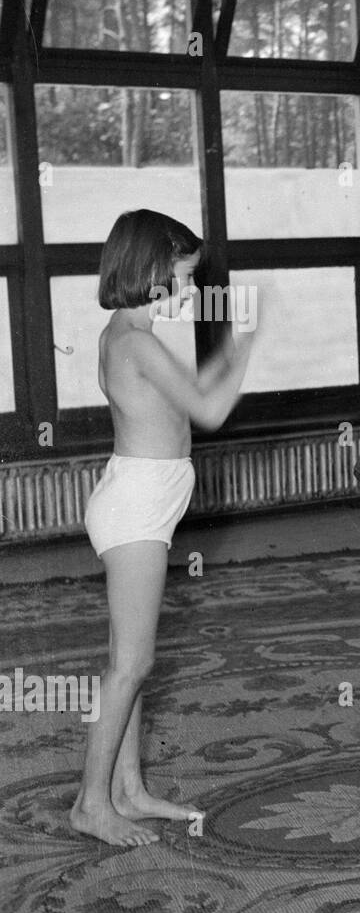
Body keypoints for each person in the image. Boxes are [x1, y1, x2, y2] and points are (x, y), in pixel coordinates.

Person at [74, 209, 254, 847]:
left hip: (142, 497)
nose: (186, 291)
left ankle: (129, 790)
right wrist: (245, 346)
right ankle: (91, 803)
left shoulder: (126, 330)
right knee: (132, 662)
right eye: (180, 277)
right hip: (137, 507)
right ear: (148, 269)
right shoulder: (138, 341)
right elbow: (207, 409)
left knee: (132, 659)